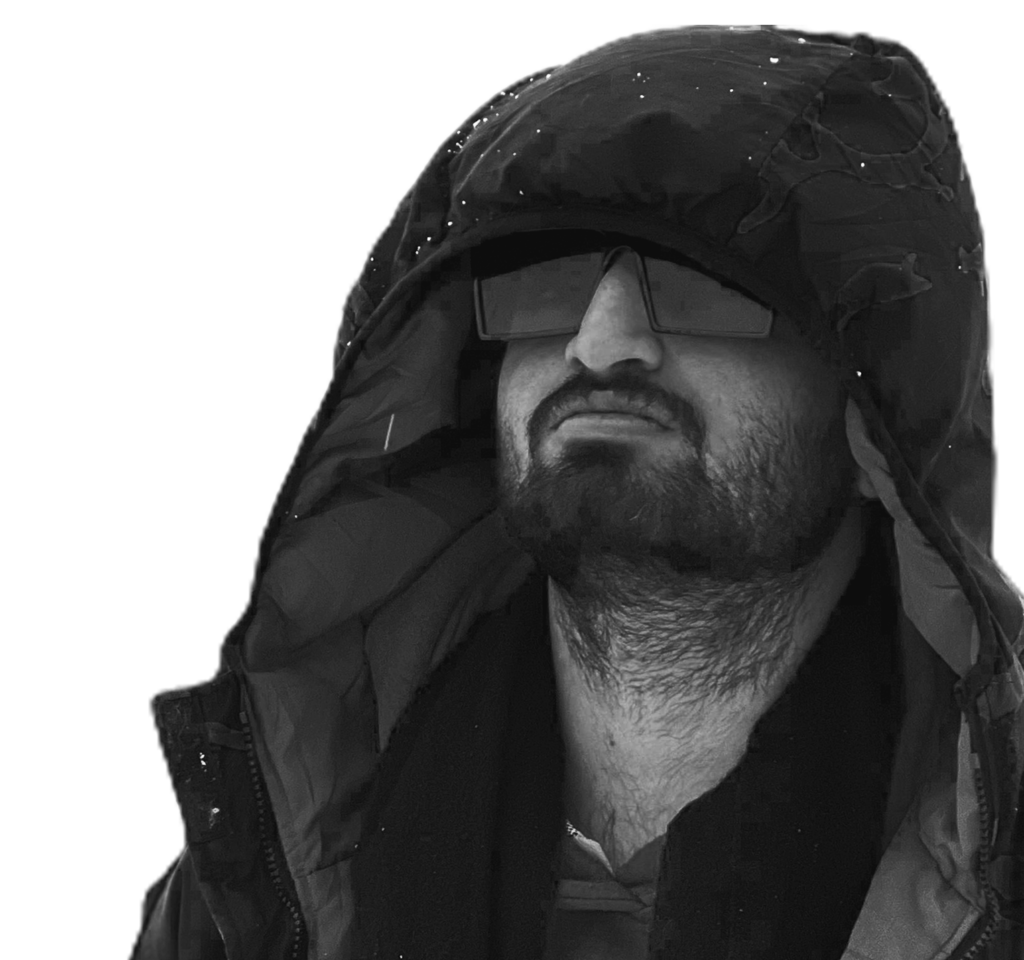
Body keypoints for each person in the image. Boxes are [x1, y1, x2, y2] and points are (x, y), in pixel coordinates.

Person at [131, 25, 1021, 959]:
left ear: (876, 409)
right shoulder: (269, 870)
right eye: (546, 280)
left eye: (703, 277)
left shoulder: (992, 885)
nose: (600, 343)